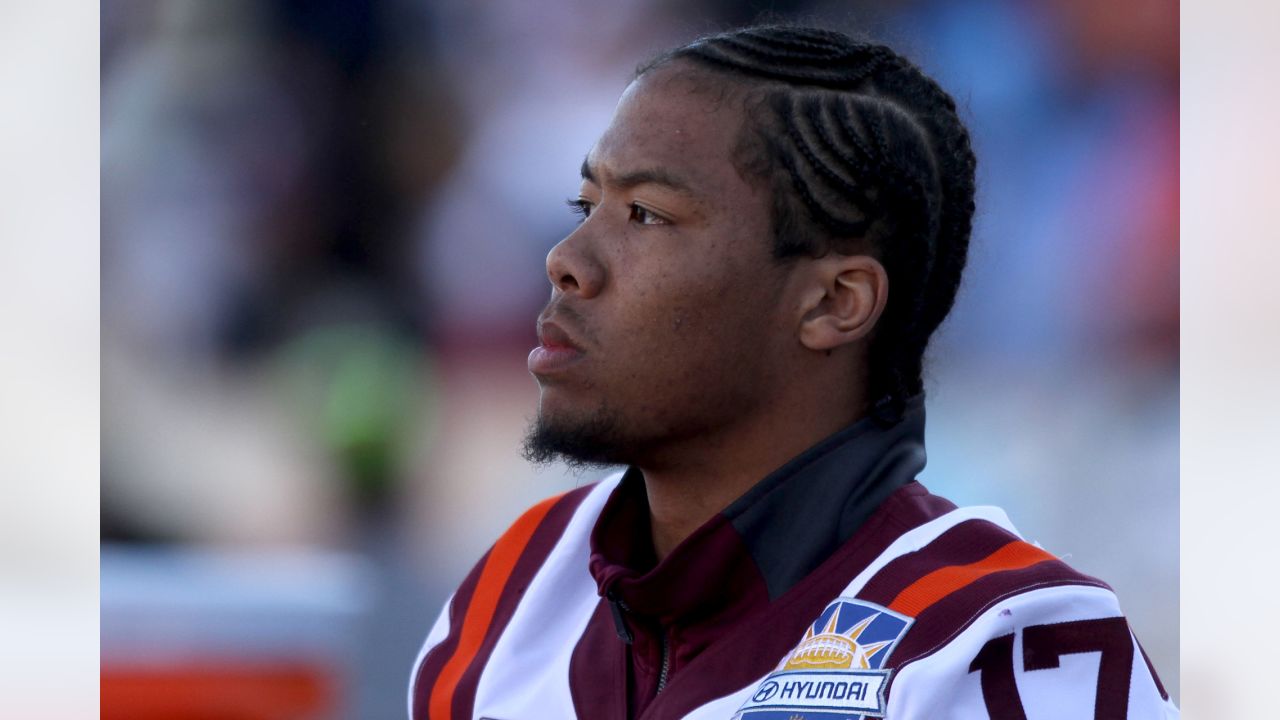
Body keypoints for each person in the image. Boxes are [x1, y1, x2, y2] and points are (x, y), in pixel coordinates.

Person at [409, 25, 1177, 720]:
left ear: (834, 303)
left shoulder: (1000, 643)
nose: (565, 262)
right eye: (585, 206)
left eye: (647, 214)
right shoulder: (516, 590)